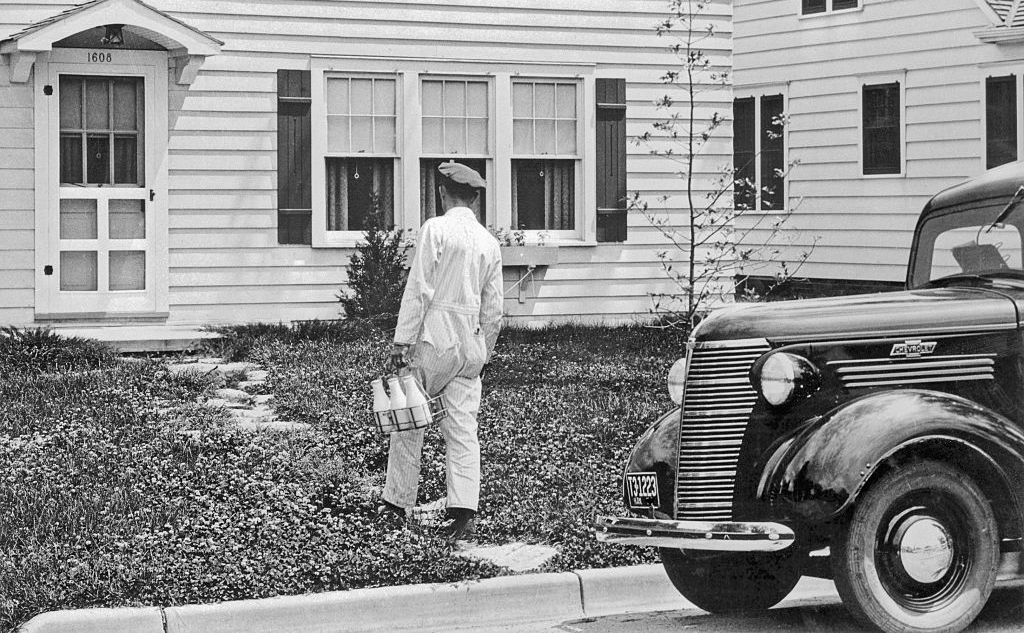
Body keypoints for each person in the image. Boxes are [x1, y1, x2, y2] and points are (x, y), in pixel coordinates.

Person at [379, 161, 503, 541]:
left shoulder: (435, 229)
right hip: (470, 346)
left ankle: (398, 503)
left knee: (409, 420)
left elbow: (419, 289)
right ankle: (463, 510)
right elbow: (494, 310)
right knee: (463, 428)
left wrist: (402, 342)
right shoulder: (489, 242)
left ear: (442, 193)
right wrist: (484, 354)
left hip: (434, 340)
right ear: (475, 198)